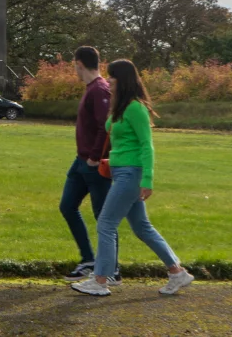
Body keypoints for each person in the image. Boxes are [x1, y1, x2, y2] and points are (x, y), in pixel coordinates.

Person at [71, 59, 194, 296]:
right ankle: (177, 272)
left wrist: (147, 179)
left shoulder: (136, 108)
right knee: (142, 227)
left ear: (123, 80)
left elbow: (147, 145)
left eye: (112, 77)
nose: (108, 81)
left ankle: (100, 280)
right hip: (121, 172)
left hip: (131, 173)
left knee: (106, 223)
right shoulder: (122, 107)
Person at [60, 46, 120, 283]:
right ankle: (88, 260)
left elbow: (105, 127)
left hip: (94, 164)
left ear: (79, 64)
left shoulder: (99, 90)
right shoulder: (92, 89)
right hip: (80, 161)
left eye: (74, 65)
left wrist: (95, 156)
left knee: (104, 217)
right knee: (67, 206)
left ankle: (112, 269)